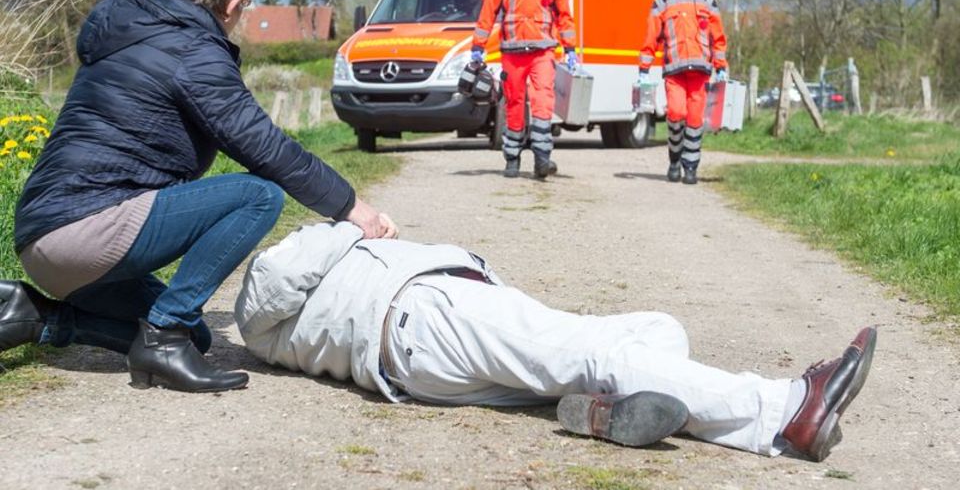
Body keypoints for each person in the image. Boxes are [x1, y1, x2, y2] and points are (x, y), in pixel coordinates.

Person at [0, 0, 396, 394]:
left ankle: (34, 316)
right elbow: (266, 148)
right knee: (257, 195)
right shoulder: (194, 52)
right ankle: (164, 335)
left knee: (199, 336)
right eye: (245, 4)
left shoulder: (128, 31)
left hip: (41, 241)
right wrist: (352, 207)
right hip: (87, 233)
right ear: (231, 3)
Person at [235, 221, 876, 462]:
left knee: (658, 332)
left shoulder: (280, 336)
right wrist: (353, 218)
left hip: (421, 361)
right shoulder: (275, 269)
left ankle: (604, 413)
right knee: (598, 354)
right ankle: (787, 408)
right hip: (427, 317)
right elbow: (307, 251)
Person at [472, 0, 577, 179]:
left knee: (543, 102)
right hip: (512, 52)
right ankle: (512, 158)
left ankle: (542, 157)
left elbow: (564, 15)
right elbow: (487, 12)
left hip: (543, 51)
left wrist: (571, 48)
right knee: (514, 103)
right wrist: (477, 46)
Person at [640, 0, 728, 185]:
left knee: (695, 119)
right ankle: (674, 159)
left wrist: (720, 65)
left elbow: (718, 37)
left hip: (700, 70)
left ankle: (690, 167)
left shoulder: (706, 0)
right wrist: (644, 66)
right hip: (674, 70)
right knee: (676, 114)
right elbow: (651, 35)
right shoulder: (662, 1)